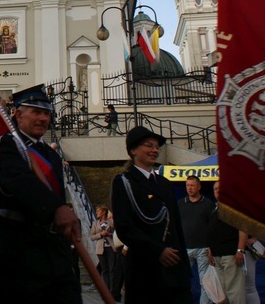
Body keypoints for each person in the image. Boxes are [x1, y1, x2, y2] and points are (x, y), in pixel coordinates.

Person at [0, 84, 82, 304]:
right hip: (18, 249)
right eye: (36, 112)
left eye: (46, 113)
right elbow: (15, 182)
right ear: (18, 114)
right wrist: (56, 208)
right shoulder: (8, 144)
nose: (43, 119)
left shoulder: (51, 155)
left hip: (54, 250)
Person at [111, 126, 191, 304]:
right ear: (133, 150)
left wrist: (184, 269)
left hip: (173, 272)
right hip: (145, 271)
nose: (154, 150)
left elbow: (175, 226)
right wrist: (158, 250)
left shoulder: (164, 183)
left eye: (157, 147)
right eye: (149, 145)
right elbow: (125, 227)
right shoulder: (125, 182)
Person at [207, 181, 247, 304]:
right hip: (216, 256)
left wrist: (240, 250)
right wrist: (209, 250)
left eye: (220, 188)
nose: (218, 191)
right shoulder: (215, 209)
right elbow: (212, 231)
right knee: (222, 294)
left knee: (235, 292)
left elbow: (243, 228)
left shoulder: (234, 208)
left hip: (231, 255)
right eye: (215, 189)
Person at [177, 175, 214, 304]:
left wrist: (210, 247)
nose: (190, 188)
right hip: (185, 248)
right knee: (182, 280)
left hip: (203, 248)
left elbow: (212, 227)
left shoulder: (208, 204)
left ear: (199, 187)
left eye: (192, 185)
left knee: (205, 281)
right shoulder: (180, 204)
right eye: (187, 185)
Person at [91, 205, 122, 301]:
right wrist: (100, 234)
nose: (96, 213)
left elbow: (118, 233)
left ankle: (112, 292)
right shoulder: (95, 223)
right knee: (105, 270)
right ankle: (105, 291)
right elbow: (92, 236)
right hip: (100, 249)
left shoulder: (111, 222)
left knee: (112, 270)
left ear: (103, 212)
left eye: (98, 211)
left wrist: (109, 234)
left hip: (111, 248)